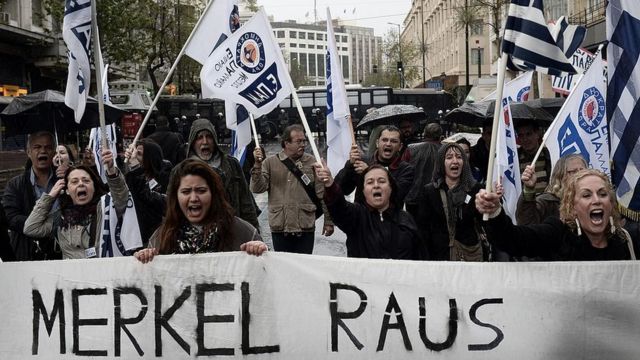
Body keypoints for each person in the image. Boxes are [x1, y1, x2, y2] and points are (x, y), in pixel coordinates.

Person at [476, 169, 636, 261]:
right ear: (572, 206)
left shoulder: (626, 240)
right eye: (586, 195)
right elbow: (514, 240)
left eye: (602, 194)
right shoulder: (558, 234)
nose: (596, 200)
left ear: (611, 203)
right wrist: (495, 212)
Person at [134, 159, 265, 263]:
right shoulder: (160, 238)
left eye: (201, 191)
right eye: (186, 192)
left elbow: (267, 278)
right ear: (176, 197)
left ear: (213, 194)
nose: (194, 198)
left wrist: (261, 253)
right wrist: (143, 261)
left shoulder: (243, 233)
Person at [23, 149, 130, 260]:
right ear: (67, 190)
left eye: (86, 181)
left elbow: (121, 196)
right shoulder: (60, 217)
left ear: (94, 187)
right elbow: (30, 228)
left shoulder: (105, 208)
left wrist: (111, 170)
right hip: (71, 275)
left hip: (101, 273)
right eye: (74, 182)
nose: (80, 184)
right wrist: (50, 196)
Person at [250, 124, 334, 254]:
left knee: (303, 267)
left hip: (305, 227)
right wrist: (257, 165)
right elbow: (257, 188)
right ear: (286, 143)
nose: (303, 144)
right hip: (280, 228)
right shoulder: (270, 163)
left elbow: (322, 193)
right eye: (298, 141)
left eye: (304, 140)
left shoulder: (312, 162)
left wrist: (328, 221)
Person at [315, 163, 424, 260]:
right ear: (363, 190)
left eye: (381, 181)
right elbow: (338, 207)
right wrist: (329, 183)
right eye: (370, 182)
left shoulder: (406, 219)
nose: (376, 185)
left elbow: (419, 257)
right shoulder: (356, 215)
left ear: (391, 188)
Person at [411, 143, 485, 261]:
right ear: (441, 162)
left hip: (469, 255)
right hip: (439, 256)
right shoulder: (430, 191)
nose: (455, 161)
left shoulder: (476, 190)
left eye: (459, 157)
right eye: (449, 157)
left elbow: (485, 220)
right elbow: (423, 228)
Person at [186, 118, 259, 230]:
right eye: (200, 137)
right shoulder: (182, 170)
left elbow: (246, 202)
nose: (205, 142)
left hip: (231, 231)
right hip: (197, 234)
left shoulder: (231, 164)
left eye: (209, 137)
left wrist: (254, 232)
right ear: (193, 142)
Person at [3, 131, 60, 260]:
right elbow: (10, 217)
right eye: (37, 147)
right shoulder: (15, 185)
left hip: (62, 252)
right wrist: (42, 226)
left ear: (54, 152)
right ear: (28, 152)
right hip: (28, 252)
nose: (43, 151)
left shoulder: (64, 180)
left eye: (48, 147)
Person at [335, 125, 414, 208]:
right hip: (363, 217)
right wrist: (349, 165)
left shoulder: (406, 169)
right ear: (377, 143)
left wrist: (369, 172)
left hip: (390, 218)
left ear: (400, 147)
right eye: (384, 140)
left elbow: (396, 196)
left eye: (393, 141)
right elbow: (342, 189)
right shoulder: (362, 161)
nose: (388, 144)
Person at [516, 154, 587, 225]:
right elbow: (526, 223)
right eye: (573, 172)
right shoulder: (547, 203)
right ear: (560, 176)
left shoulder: (594, 200)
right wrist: (529, 189)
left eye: (583, 171)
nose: (580, 175)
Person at [124, 139, 171, 245]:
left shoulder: (166, 180)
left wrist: (135, 166)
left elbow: (146, 196)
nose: (134, 156)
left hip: (156, 239)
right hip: (135, 237)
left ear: (151, 157)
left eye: (138, 154)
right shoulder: (133, 178)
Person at [403, 123, 443, 215]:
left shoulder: (411, 149)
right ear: (440, 136)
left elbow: (403, 171)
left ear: (424, 134)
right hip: (436, 197)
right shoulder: (444, 151)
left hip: (413, 197)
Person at [516, 120, 551, 194]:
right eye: (521, 135)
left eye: (528, 134)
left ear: (537, 134)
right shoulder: (515, 159)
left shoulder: (549, 155)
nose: (525, 139)